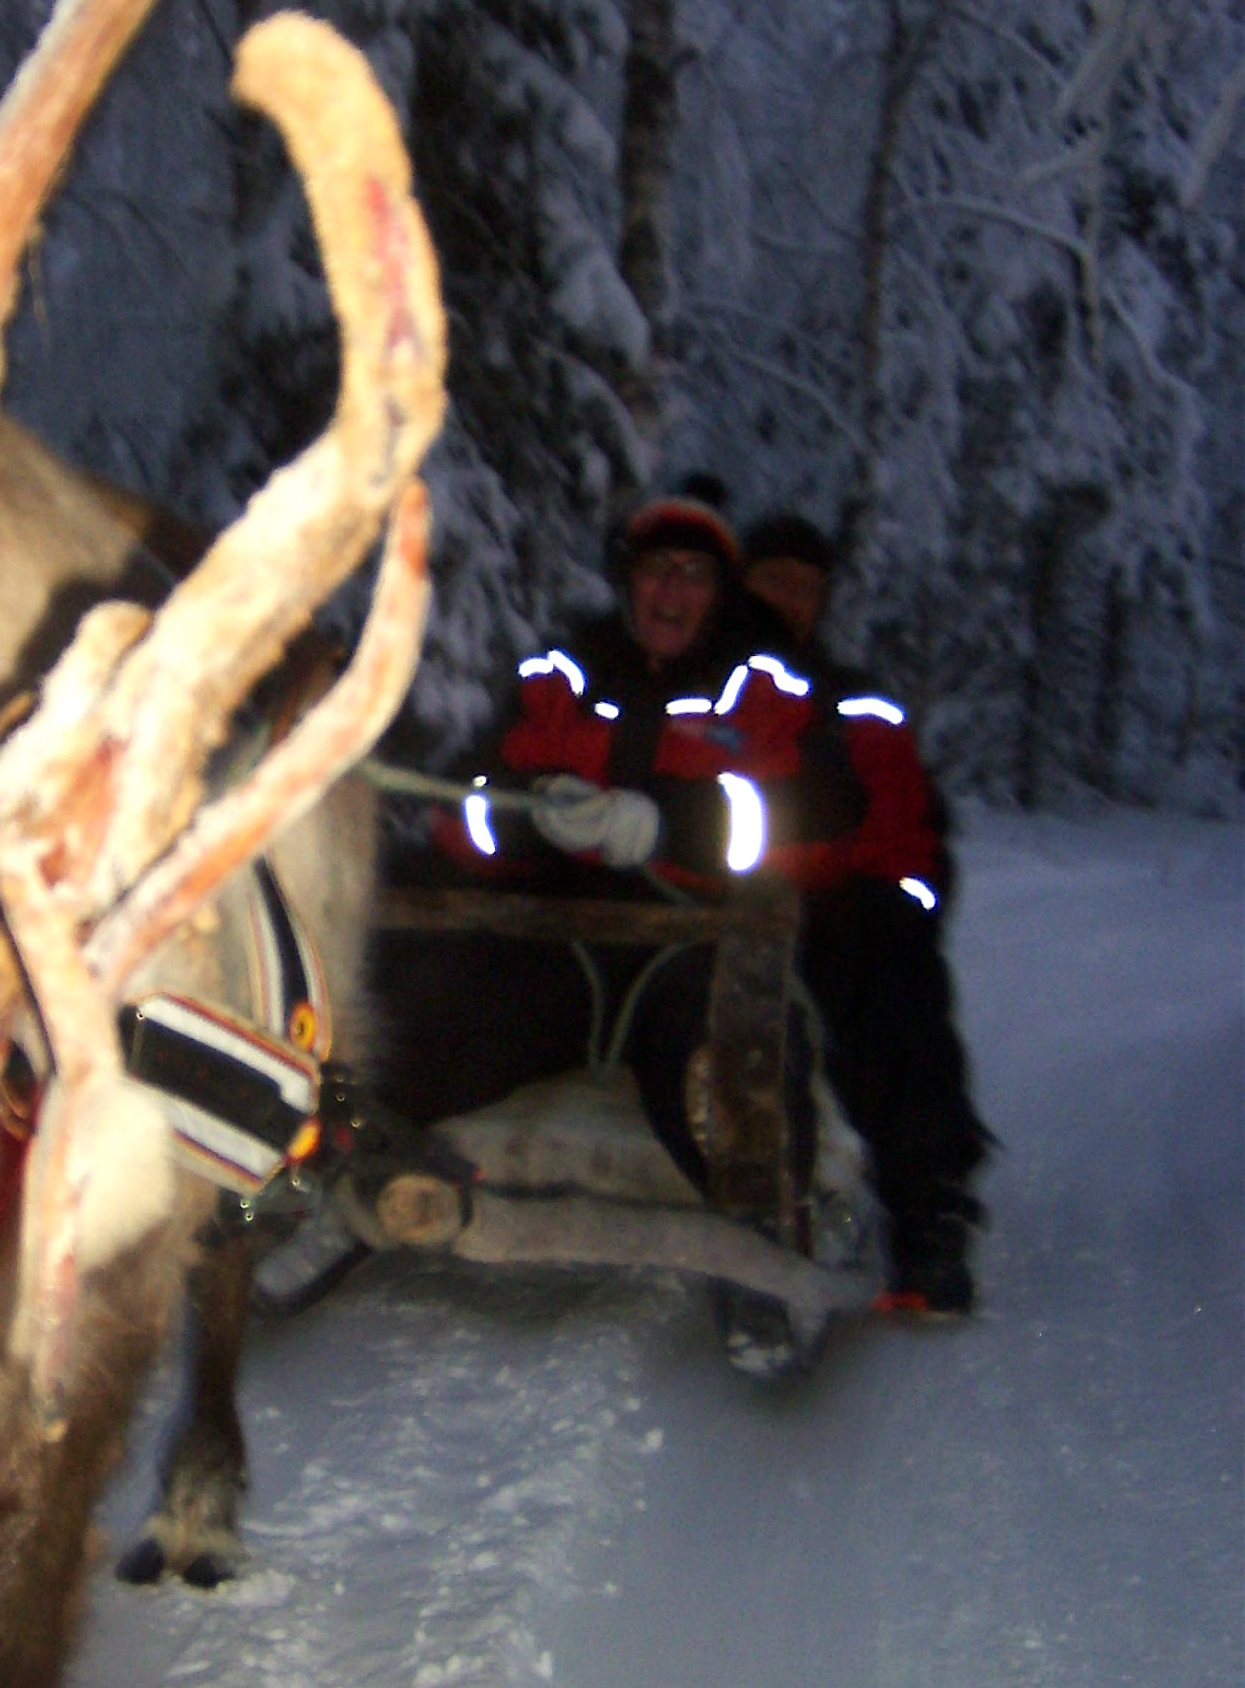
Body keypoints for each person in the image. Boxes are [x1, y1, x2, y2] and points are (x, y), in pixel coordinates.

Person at [391, 491, 867, 1258]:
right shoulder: (560, 679)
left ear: (720, 594)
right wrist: (531, 814)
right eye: (655, 569)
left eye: (694, 573)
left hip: (694, 952)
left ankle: (773, 1216)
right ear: (628, 581)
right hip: (561, 946)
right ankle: (346, 1166)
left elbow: (816, 819)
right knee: (429, 1033)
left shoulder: (767, 692)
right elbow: (462, 809)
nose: (671, 589)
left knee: (728, 1076)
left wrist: (671, 824)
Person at [741, 512, 991, 1315]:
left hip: (825, 911)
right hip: (696, 905)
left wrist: (851, 879)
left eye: (805, 586)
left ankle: (928, 1217)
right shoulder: (690, 684)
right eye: (773, 580)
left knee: (893, 977)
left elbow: (908, 834)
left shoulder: (856, 705)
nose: (788, 599)